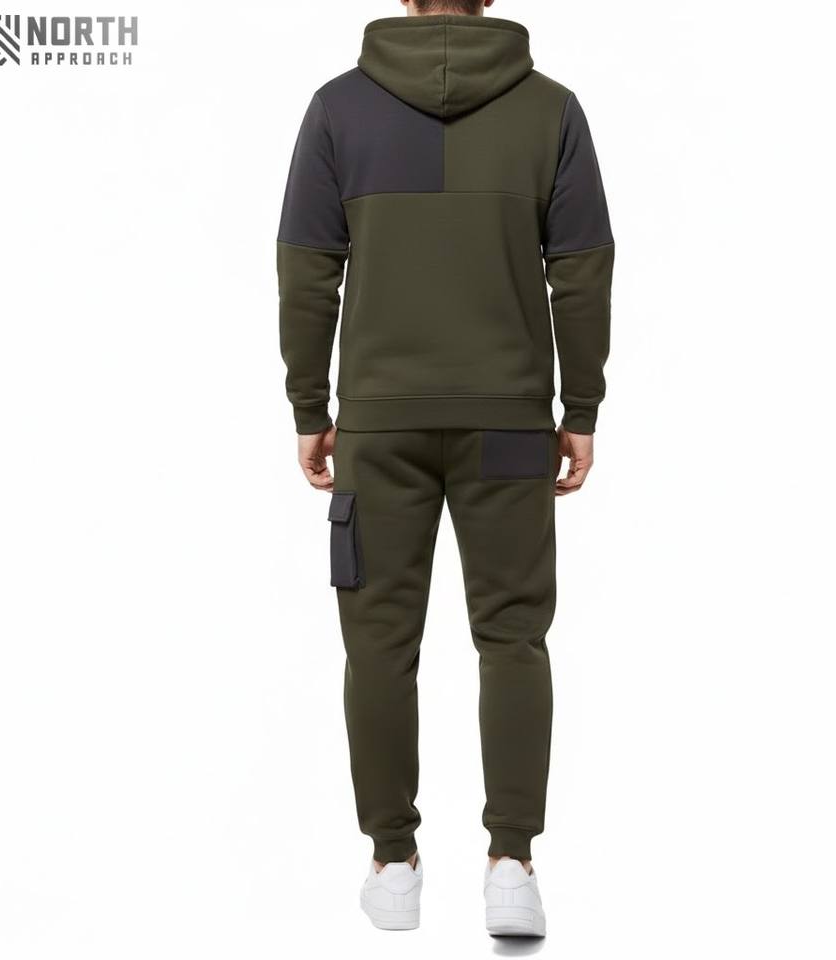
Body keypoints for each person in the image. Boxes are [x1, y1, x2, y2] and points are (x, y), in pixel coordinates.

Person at [277, 0, 613, 937]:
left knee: (379, 643)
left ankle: (393, 863)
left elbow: (306, 269)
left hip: (378, 426)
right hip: (510, 421)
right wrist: (580, 409)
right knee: (514, 638)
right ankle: (512, 865)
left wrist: (311, 408)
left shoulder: (338, 110)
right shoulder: (551, 110)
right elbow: (582, 269)